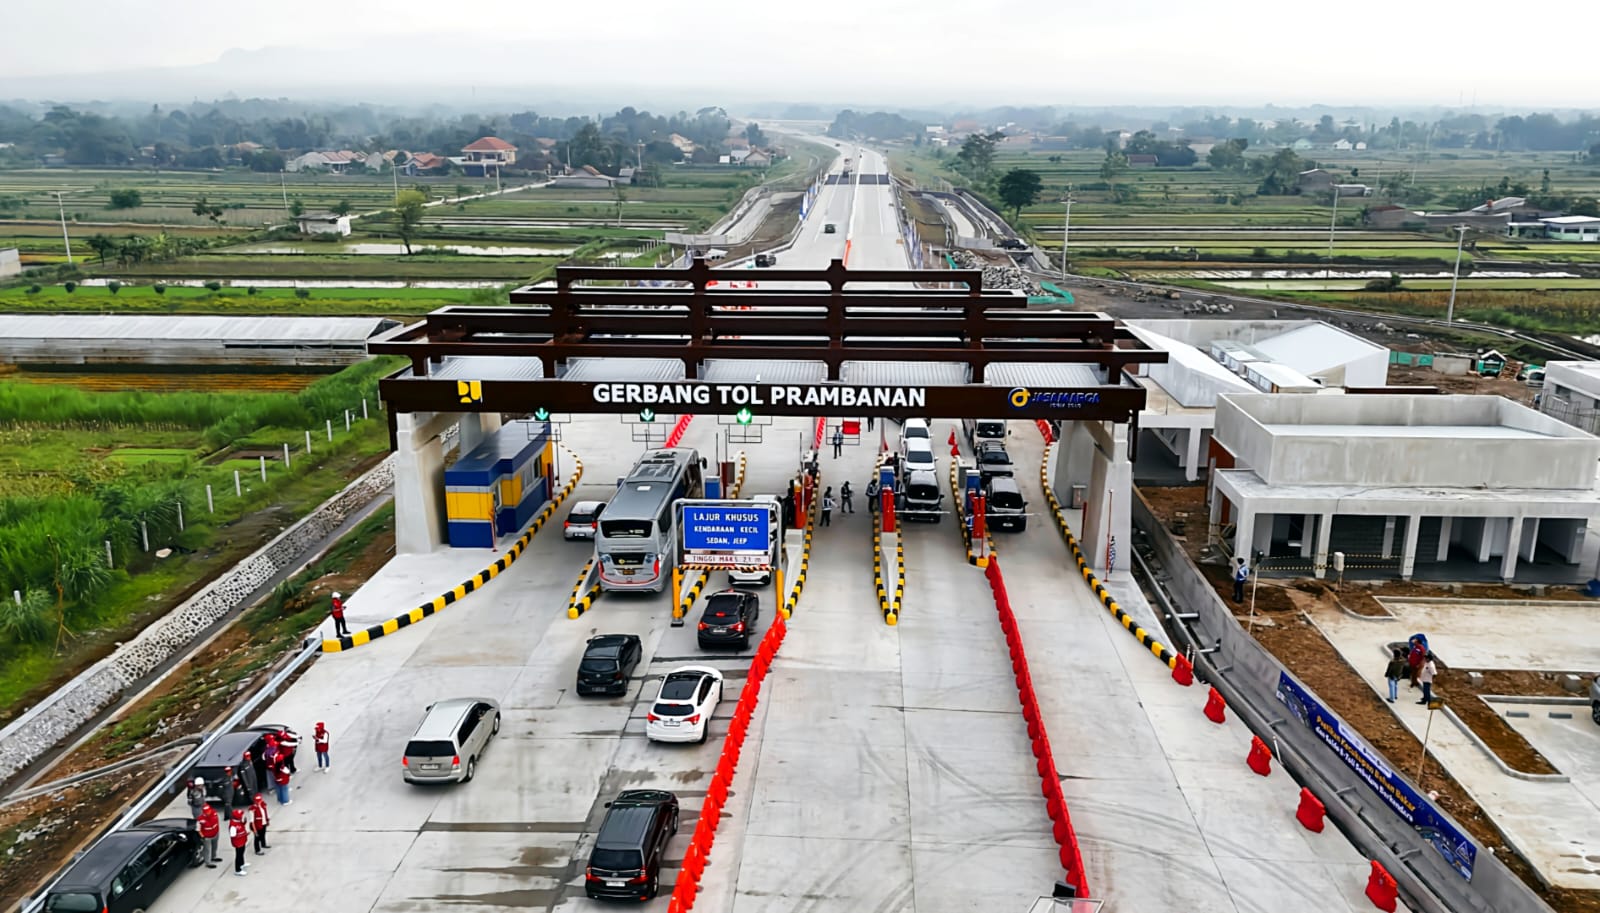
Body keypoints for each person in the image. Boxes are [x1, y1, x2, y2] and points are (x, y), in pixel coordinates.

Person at [196, 802, 222, 868]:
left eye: (209, 811)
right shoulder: (200, 819)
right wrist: (203, 836)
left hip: (215, 833)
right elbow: (198, 829)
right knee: (207, 849)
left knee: (215, 846)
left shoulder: (214, 813)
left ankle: (214, 856)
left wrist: (217, 831)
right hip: (207, 837)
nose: (208, 812)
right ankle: (208, 862)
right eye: (206, 812)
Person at [228, 809, 251, 876]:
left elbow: (241, 825)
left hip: (242, 841)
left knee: (242, 853)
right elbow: (233, 835)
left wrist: (244, 822)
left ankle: (242, 863)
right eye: (241, 815)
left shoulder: (238, 821)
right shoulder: (233, 825)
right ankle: (238, 870)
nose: (242, 816)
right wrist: (244, 834)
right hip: (238, 843)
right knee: (238, 855)